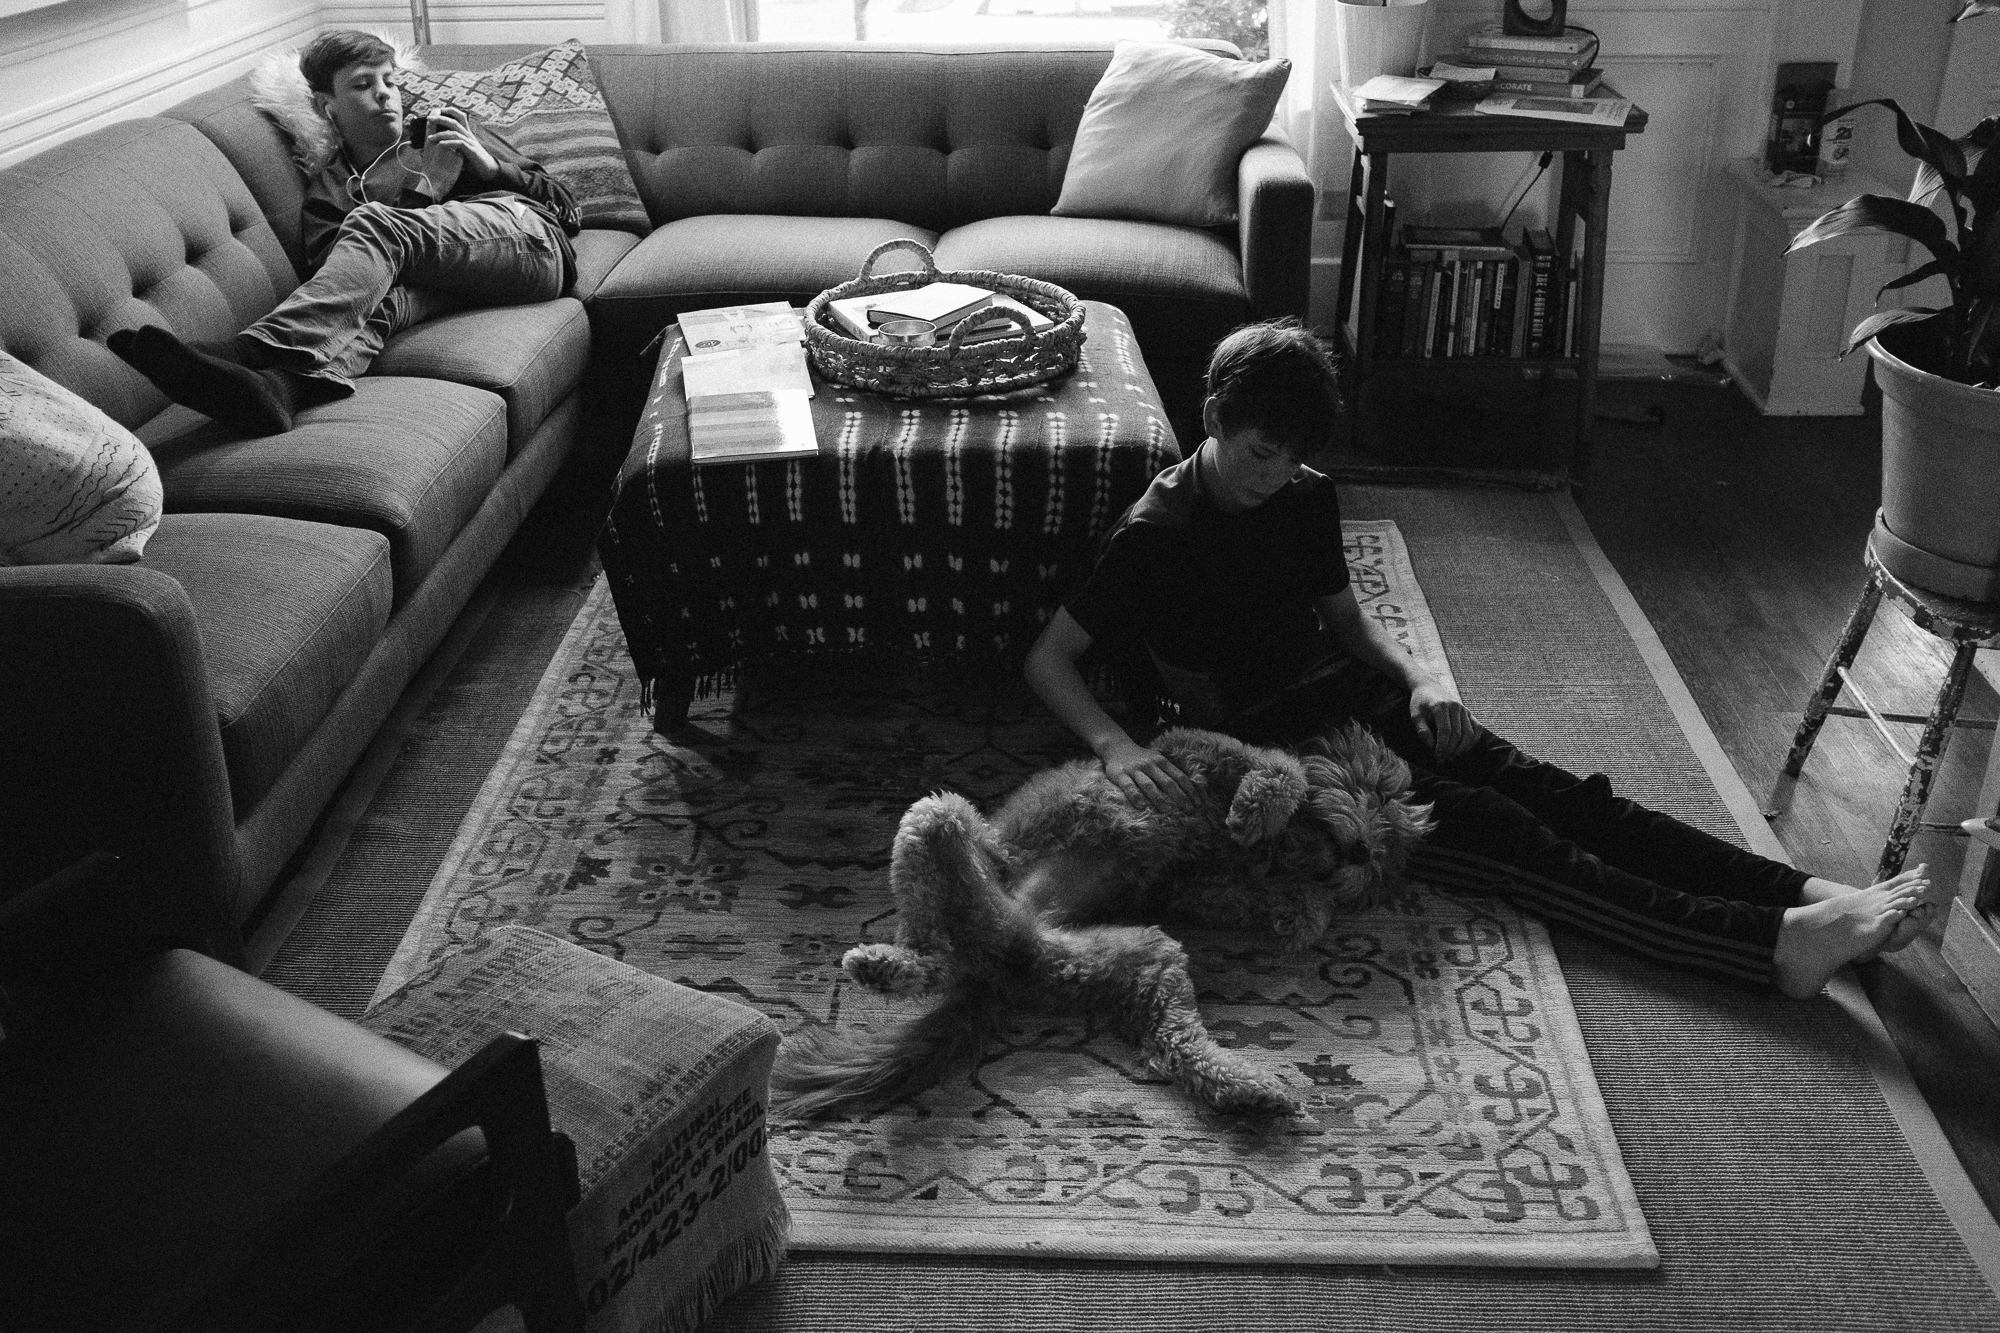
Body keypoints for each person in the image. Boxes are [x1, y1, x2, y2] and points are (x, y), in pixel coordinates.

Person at [1023, 318, 1942, 1000]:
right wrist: (1115, 745)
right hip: (1272, 747)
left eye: (1292, 458)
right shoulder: (1158, 531)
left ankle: (1811, 891)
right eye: (1260, 453)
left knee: (1567, 793)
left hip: (1347, 692)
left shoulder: (1303, 494)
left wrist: (1421, 676)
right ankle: (1773, 944)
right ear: (1215, 416)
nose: (1274, 476)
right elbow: (1051, 659)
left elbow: (1348, 622)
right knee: (1508, 833)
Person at [109, 30, 581, 436]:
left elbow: (568, 211)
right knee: (377, 306)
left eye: (391, 82)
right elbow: (344, 286)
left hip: (531, 245)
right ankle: (279, 391)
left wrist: (489, 166)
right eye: (363, 85)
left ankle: (248, 349)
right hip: (452, 287)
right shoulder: (330, 192)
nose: (385, 95)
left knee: (371, 221)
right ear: (326, 106)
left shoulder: (445, 135)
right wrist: (427, 191)